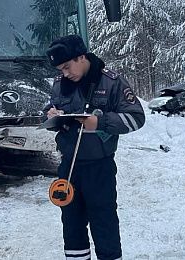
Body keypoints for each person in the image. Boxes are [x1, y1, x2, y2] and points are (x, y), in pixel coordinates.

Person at [44, 34, 145, 260]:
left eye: (67, 67)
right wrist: (52, 115)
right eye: (61, 69)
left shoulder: (111, 83)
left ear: (81, 56)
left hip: (100, 167)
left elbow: (136, 118)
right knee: (71, 222)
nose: (65, 73)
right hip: (69, 167)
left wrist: (100, 123)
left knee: (104, 221)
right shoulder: (60, 84)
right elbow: (49, 109)